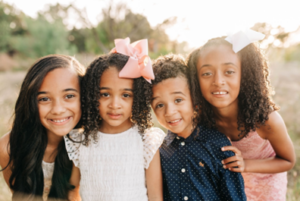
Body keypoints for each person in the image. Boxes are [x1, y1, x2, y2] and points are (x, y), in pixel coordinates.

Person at [187, 29, 296, 201]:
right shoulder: (201, 117)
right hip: (231, 184)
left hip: (266, 187)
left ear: (244, 75)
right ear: (195, 78)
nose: (218, 81)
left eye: (229, 71)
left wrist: (246, 164)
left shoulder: (265, 120)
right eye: (207, 73)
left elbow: (288, 161)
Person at [65, 38, 165, 201]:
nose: (115, 104)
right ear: (92, 94)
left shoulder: (146, 140)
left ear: (137, 97)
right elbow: (72, 191)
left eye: (126, 95)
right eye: (105, 94)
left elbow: (155, 197)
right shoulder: (81, 140)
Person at [149, 54, 246, 201]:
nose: (169, 112)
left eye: (178, 100)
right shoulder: (158, 151)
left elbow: (234, 196)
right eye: (160, 105)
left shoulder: (218, 145)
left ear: (195, 100)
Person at [0, 55, 85, 201]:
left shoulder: (89, 145)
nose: (57, 109)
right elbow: (19, 196)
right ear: (30, 102)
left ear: (84, 97)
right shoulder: (8, 148)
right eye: (44, 99)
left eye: (69, 96)